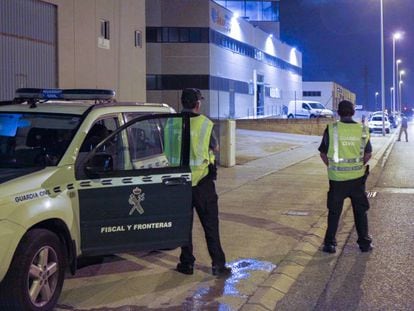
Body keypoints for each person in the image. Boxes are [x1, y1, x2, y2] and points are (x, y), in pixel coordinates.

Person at [175, 88, 231, 277]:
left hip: (178, 183)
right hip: (202, 183)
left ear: (182, 103)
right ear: (198, 104)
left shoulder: (171, 124)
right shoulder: (205, 124)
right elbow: (214, 146)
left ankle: (186, 263)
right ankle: (217, 264)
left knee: (184, 225)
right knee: (210, 225)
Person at [318, 100, 373, 253]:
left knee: (334, 212)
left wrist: (332, 167)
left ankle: (329, 244)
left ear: (338, 112)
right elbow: (368, 154)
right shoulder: (363, 130)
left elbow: (323, 153)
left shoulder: (331, 128)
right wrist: (358, 165)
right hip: (357, 179)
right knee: (360, 211)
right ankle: (364, 243)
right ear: (353, 112)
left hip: (337, 180)